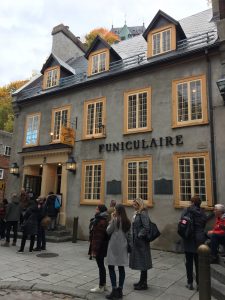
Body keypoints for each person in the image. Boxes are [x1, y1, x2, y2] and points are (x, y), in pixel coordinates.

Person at [180, 195, 207, 290]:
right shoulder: (203, 212)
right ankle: (199, 284)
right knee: (198, 263)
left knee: (189, 262)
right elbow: (204, 224)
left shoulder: (187, 211)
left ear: (192, 203)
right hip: (199, 239)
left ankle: (190, 283)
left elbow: (182, 222)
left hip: (189, 238)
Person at [106, 204, 131, 299]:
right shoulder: (127, 221)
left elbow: (108, 231)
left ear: (118, 211)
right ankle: (120, 290)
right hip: (123, 246)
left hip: (114, 245)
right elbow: (129, 234)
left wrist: (112, 219)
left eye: (115, 210)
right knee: (121, 268)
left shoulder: (115, 220)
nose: (114, 211)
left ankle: (114, 290)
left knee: (111, 267)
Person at [129, 198, 152, 290]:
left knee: (143, 262)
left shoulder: (143, 213)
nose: (133, 206)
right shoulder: (137, 213)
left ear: (139, 205)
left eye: (134, 204)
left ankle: (144, 283)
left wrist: (139, 235)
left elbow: (146, 227)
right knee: (141, 262)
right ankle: (141, 281)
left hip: (142, 242)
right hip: (137, 242)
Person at [89, 204, 109, 293]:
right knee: (101, 266)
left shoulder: (101, 221)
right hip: (101, 246)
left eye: (97, 209)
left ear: (100, 211)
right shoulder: (99, 219)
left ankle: (101, 286)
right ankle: (103, 284)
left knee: (101, 266)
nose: (95, 210)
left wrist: (94, 250)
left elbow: (98, 237)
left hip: (100, 247)